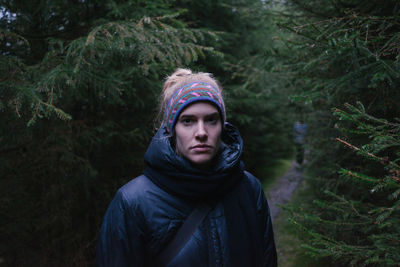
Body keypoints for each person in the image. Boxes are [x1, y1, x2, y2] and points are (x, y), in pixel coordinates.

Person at [96, 68, 277, 267]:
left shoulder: (248, 188)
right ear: (171, 129)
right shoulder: (132, 202)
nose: (201, 132)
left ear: (222, 126)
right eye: (188, 121)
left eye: (211, 120)